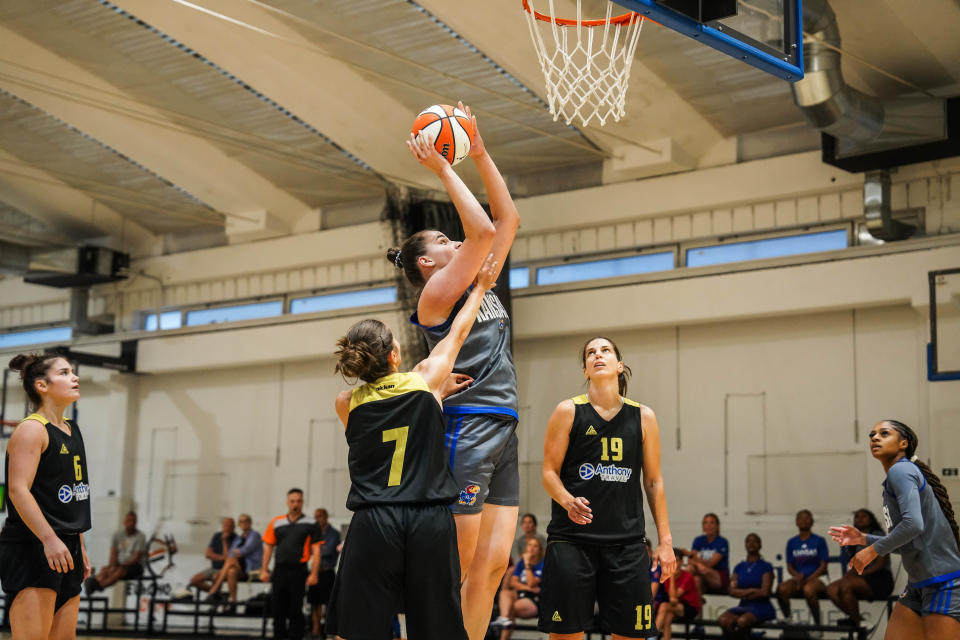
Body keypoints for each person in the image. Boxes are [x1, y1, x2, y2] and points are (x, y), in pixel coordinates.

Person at [394, 101, 520, 640]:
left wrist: (481, 148)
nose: (455, 242)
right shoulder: (436, 297)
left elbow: (507, 219)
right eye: (443, 242)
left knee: (492, 568)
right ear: (427, 263)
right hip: (467, 426)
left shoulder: (478, 281)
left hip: (505, 423)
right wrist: (445, 166)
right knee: (455, 566)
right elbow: (485, 231)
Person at [326, 253, 499, 640]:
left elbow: (385, 414)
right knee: (435, 630)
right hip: (427, 519)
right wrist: (482, 287)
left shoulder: (346, 402)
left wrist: (433, 396)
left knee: (354, 631)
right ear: (394, 355)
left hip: (374, 520)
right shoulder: (425, 380)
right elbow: (459, 331)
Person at [539, 337, 677, 639]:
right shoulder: (567, 411)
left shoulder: (643, 417)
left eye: (605, 351)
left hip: (627, 545)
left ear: (619, 365)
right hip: (571, 541)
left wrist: (665, 542)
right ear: (586, 370)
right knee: (566, 635)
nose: (597, 355)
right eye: (590, 353)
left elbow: (653, 481)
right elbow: (548, 472)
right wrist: (567, 500)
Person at [830, 420, 960, 638]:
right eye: (872, 434)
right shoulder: (899, 475)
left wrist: (872, 551)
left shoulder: (901, 471)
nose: (875, 438)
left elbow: (913, 525)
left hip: (944, 583)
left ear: (903, 443)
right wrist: (863, 538)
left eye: (884, 433)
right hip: (917, 586)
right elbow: (909, 542)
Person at [0, 353, 91, 640]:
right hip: (33, 545)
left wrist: (79, 544)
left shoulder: (71, 429)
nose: (74, 377)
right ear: (42, 385)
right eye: (64, 373)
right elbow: (17, 490)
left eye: (73, 372)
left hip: (66, 546)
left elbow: (69, 500)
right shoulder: (31, 430)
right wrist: (49, 539)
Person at [260, 489, 322, 640]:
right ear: (287, 502)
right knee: (277, 609)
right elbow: (268, 547)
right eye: (292, 501)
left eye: (298, 501)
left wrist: (314, 573)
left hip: (298, 570)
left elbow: (316, 550)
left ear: (302, 502)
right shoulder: (276, 522)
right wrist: (264, 570)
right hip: (280, 570)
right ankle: (278, 636)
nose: (295, 504)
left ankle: (295, 636)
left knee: (295, 608)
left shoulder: (311, 523)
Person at [826, 508, 893, 626]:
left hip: (879, 579)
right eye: (857, 516)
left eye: (864, 516)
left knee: (846, 587)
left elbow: (881, 564)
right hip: (861, 578)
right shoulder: (855, 540)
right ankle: (858, 620)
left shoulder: (878, 536)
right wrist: (850, 574)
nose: (860, 518)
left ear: (871, 520)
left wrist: (859, 574)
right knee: (831, 589)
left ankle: (857, 623)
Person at [775, 509, 829, 624]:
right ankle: (788, 618)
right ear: (796, 522)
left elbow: (823, 566)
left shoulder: (819, 540)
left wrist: (809, 579)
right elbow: (789, 566)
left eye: (807, 518)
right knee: (781, 589)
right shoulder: (791, 542)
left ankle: (817, 625)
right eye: (800, 518)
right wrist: (797, 576)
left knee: (808, 590)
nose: (803, 520)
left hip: (818, 578)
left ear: (812, 522)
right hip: (799, 579)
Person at [717, 534, 776, 639]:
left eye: (755, 541)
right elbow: (731, 590)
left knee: (742, 621)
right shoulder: (739, 567)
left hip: (762, 606)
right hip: (744, 605)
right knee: (723, 620)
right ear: (745, 545)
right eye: (748, 541)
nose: (751, 544)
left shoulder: (766, 566)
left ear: (760, 545)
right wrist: (751, 591)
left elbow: (764, 592)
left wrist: (742, 592)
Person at [85, 511, 146, 594]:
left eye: (133, 521)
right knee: (105, 569)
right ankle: (94, 582)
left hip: (135, 566)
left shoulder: (140, 537)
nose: (131, 523)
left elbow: (136, 558)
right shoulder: (118, 535)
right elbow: (113, 554)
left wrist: (117, 567)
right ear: (124, 522)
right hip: (119, 565)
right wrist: (112, 566)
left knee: (119, 571)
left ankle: (100, 585)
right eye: (129, 520)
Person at [494, 537, 544, 637]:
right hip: (523, 593)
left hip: (535, 600)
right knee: (505, 593)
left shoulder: (542, 563)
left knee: (510, 609)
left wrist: (527, 564)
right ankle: (504, 618)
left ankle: (505, 621)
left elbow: (531, 583)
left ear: (540, 550)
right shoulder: (522, 561)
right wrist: (527, 588)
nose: (531, 548)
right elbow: (513, 582)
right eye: (529, 545)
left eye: (535, 546)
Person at [206, 513, 262, 603]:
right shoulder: (238, 538)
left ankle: (215, 588)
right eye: (241, 521)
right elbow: (230, 553)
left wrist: (235, 552)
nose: (243, 523)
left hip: (250, 568)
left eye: (246, 521)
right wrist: (234, 552)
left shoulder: (255, 535)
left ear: (250, 523)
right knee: (230, 571)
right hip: (238, 566)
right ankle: (233, 601)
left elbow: (244, 550)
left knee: (231, 560)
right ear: (239, 524)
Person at [308, 508, 341, 638]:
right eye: (316, 517)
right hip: (314, 572)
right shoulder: (313, 533)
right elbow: (308, 550)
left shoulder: (333, 533)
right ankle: (315, 628)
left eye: (320, 516)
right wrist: (318, 549)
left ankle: (328, 629)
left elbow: (329, 550)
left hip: (327, 572)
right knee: (314, 602)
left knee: (328, 602)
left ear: (326, 517)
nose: (318, 519)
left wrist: (315, 551)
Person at [655, 550, 700, 640]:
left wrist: (671, 577)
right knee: (668, 617)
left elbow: (675, 596)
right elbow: (671, 598)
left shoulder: (687, 576)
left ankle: (652, 637)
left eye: (677, 560)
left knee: (664, 606)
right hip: (673, 605)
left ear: (682, 562)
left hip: (690, 607)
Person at [681, 513, 729, 596]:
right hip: (701, 574)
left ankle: (678, 592)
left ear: (717, 526)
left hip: (718, 576)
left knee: (703, 569)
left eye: (712, 523)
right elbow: (691, 561)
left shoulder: (722, 542)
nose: (708, 525)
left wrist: (693, 557)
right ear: (703, 526)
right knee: (695, 578)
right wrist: (696, 563)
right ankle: (695, 605)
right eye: (706, 523)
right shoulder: (698, 540)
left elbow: (711, 563)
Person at [190, 517, 236, 593]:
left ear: (233, 527)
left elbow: (228, 558)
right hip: (214, 567)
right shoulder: (217, 536)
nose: (226, 528)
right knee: (194, 580)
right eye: (225, 525)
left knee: (216, 577)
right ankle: (216, 593)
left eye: (229, 526)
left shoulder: (236, 538)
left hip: (225, 569)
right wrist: (221, 558)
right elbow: (208, 554)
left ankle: (215, 594)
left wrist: (224, 541)